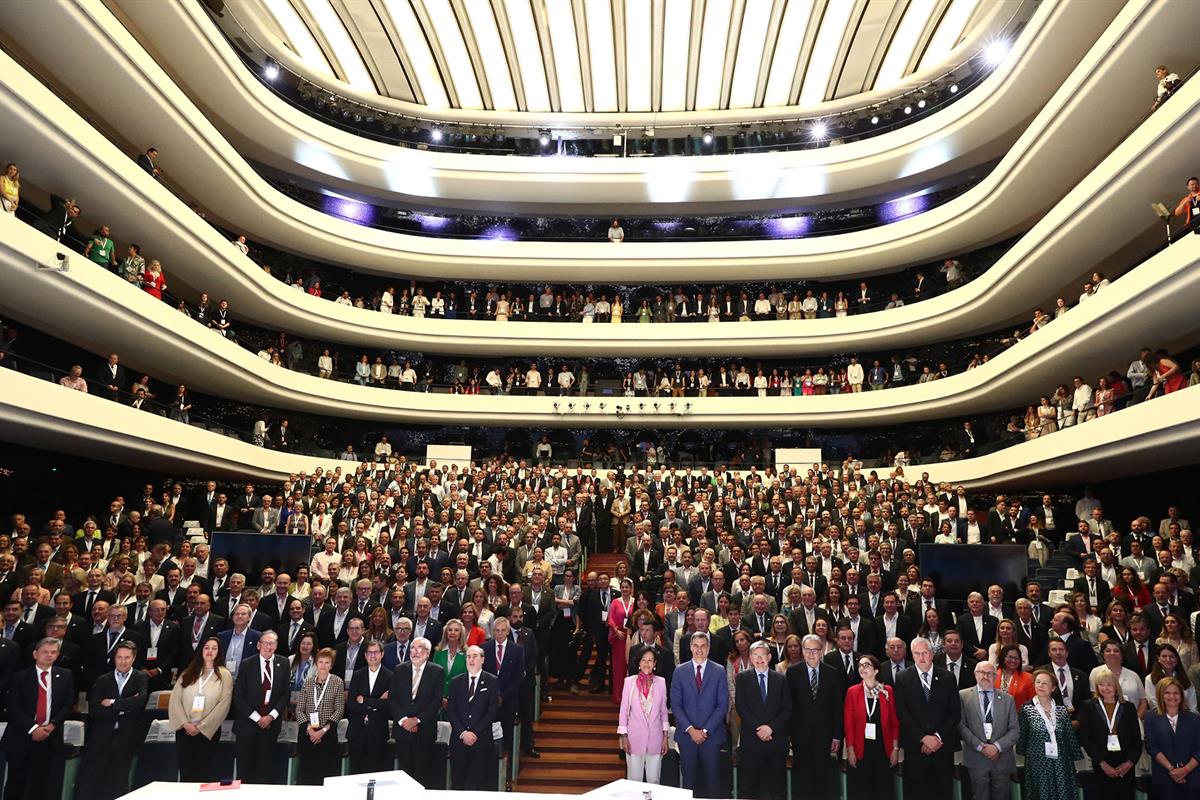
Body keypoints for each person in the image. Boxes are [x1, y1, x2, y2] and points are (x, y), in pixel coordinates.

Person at [2, 637, 74, 800]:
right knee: (16, 784)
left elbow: (68, 704)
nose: (49, 655)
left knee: (41, 784)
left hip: (50, 738)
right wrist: (34, 728)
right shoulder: (19, 677)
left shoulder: (65, 675)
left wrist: (51, 726)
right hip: (21, 737)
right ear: (35, 654)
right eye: (45, 652)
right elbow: (13, 707)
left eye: (53, 652)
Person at [75, 640, 148, 800]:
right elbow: (94, 708)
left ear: (133, 658)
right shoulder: (103, 679)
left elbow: (140, 701)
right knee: (97, 779)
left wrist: (112, 702)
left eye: (127, 657)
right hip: (102, 737)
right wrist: (124, 708)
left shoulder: (140, 677)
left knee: (120, 780)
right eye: (119, 657)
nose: (123, 661)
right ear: (114, 658)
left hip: (126, 736)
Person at [895, 637, 960, 799]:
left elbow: (955, 713)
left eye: (925, 653)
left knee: (943, 792)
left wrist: (936, 738)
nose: (921, 657)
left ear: (931, 654)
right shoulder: (902, 677)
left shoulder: (947, 677)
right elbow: (903, 713)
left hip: (942, 746)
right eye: (917, 654)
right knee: (917, 793)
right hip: (915, 747)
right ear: (912, 655)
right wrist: (923, 738)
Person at [670, 631, 729, 798]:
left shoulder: (719, 671)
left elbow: (722, 705)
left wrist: (704, 731)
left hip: (711, 737)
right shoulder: (679, 671)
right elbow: (676, 705)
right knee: (688, 783)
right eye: (696, 646)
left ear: (708, 648)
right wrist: (690, 730)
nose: (699, 650)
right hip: (687, 738)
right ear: (690, 647)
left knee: (712, 783)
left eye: (703, 646)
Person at [168, 636, 233, 782]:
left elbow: (224, 704)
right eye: (206, 647)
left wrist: (202, 726)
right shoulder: (189, 671)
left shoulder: (224, 674)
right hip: (185, 730)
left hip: (207, 732)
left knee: (203, 773)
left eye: (214, 648)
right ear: (201, 650)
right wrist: (185, 723)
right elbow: (175, 699)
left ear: (219, 652)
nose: (210, 651)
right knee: (186, 772)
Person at [786, 633, 841, 800]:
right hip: (800, 736)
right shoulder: (792, 673)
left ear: (822, 651)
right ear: (802, 651)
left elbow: (837, 707)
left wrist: (837, 736)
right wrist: (790, 733)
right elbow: (789, 706)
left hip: (825, 736)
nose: (811, 654)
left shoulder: (833, 673)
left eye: (815, 650)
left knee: (823, 778)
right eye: (807, 650)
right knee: (802, 778)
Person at [734, 640, 790, 800]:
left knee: (777, 788)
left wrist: (771, 728)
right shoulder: (742, 678)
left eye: (763, 655)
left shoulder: (781, 679)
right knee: (750, 787)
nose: (759, 659)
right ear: (750, 658)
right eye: (755, 656)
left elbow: (787, 709)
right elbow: (741, 706)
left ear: (770, 657)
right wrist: (759, 728)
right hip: (752, 741)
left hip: (776, 741)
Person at [231, 629, 289, 784]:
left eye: (272, 643)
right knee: (245, 772)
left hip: (270, 728)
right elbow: (238, 697)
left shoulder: (283, 663)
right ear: (258, 645)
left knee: (265, 772)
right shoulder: (247, 664)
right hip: (247, 727)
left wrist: (270, 717)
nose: (268, 646)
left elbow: (285, 694)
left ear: (276, 646)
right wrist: (258, 718)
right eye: (265, 643)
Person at [957, 660, 1018, 800]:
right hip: (976, 755)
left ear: (995, 676)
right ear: (975, 674)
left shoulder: (1008, 699)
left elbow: (1014, 730)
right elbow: (961, 726)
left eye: (990, 673)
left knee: (1002, 795)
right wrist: (981, 747)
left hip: (1002, 756)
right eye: (982, 672)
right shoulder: (963, 696)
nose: (985, 676)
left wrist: (996, 747)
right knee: (980, 795)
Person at [1077, 668, 1141, 800]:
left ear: (1116, 686)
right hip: (1102, 762)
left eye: (1109, 684)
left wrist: (1129, 763)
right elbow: (1086, 739)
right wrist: (1102, 764)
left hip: (1125, 762)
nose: (1105, 688)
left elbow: (1136, 739)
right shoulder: (1088, 706)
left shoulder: (1128, 707)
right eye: (1101, 684)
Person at [1018, 668, 1081, 800]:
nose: (1040, 686)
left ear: (1053, 688)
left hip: (1061, 761)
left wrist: (1075, 757)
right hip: (1037, 763)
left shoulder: (1062, 710)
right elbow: (1022, 737)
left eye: (1045, 683)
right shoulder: (1026, 709)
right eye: (1038, 682)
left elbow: (1069, 736)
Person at [390, 636, 444, 786]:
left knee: (422, 774)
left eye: (419, 648)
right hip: (403, 731)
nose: (414, 651)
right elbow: (393, 699)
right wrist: (404, 721)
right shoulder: (399, 669)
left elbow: (436, 702)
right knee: (404, 774)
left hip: (425, 731)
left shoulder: (437, 671)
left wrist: (417, 720)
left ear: (427, 652)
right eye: (412, 648)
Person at [843, 655, 898, 799]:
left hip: (883, 748)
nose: (862, 668)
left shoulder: (887, 691)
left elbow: (894, 722)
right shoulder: (852, 691)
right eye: (860, 665)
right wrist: (850, 749)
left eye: (866, 665)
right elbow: (849, 723)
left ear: (876, 670)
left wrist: (895, 748)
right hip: (861, 749)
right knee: (862, 790)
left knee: (883, 789)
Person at [447, 645, 500, 790]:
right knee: (458, 783)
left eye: (474, 656)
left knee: (477, 784)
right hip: (459, 741)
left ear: (482, 659)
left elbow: (491, 712)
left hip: (481, 741)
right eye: (468, 657)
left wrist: (474, 733)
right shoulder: (456, 682)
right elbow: (451, 711)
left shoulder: (492, 681)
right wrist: (463, 733)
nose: (471, 660)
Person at [617, 648, 670, 785]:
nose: (647, 663)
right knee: (634, 781)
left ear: (655, 663)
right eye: (644, 660)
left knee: (654, 780)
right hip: (634, 739)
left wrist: (665, 737)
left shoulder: (661, 682)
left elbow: (663, 711)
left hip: (656, 738)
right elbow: (623, 711)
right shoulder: (629, 682)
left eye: (650, 660)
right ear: (639, 663)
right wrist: (624, 737)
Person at [293, 647, 345, 785]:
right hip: (308, 734)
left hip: (327, 735)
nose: (323, 665)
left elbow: (339, 709)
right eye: (320, 662)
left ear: (331, 665)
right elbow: (299, 710)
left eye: (327, 662)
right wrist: (310, 730)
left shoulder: (337, 682)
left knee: (325, 773)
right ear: (316, 664)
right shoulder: (308, 682)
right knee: (307, 773)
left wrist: (322, 731)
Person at [1145, 677, 1200, 798]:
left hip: (1191, 779)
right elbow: (1152, 747)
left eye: (1176, 693)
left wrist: (1185, 770)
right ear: (1160, 695)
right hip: (1164, 778)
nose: (1172, 697)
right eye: (1167, 693)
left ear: (1181, 695)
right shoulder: (1151, 718)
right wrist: (1172, 769)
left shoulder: (1194, 719)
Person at [345, 639, 392, 774]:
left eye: (376, 652)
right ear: (365, 655)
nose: (372, 655)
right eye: (369, 653)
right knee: (355, 773)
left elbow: (388, 706)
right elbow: (352, 705)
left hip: (377, 732)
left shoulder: (390, 676)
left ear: (382, 654)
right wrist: (376, 703)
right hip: (356, 732)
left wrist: (365, 701)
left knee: (374, 773)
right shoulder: (357, 675)